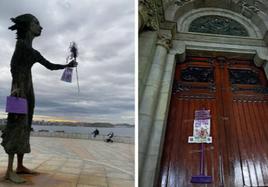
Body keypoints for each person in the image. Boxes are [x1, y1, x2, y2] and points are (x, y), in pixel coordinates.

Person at [1, 14, 77, 183]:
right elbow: (13, 67)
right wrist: (16, 89)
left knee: (26, 126)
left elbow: (50, 66)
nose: (40, 27)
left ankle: (20, 166)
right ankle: (9, 170)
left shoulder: (33, 51)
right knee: (16, 126)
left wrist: (67, 66)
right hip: (19, 91)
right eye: (36, 23)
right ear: (27, 26)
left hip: (28, 92)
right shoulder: (21, 46)